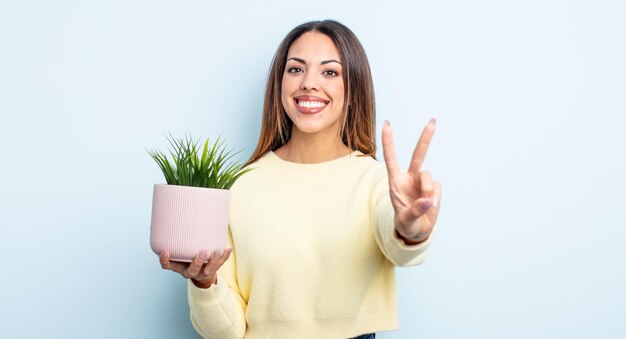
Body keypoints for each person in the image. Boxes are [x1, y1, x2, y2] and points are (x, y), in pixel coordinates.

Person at [158, 19, 442, 339]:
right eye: (295, 69)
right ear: (279, 84)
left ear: (353, 91)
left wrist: (411, 232)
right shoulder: (241, 186)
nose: (309, 83)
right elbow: (228, 332)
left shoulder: (376, 182)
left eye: (330, 72)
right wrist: (204, 283)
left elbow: (400, 248)